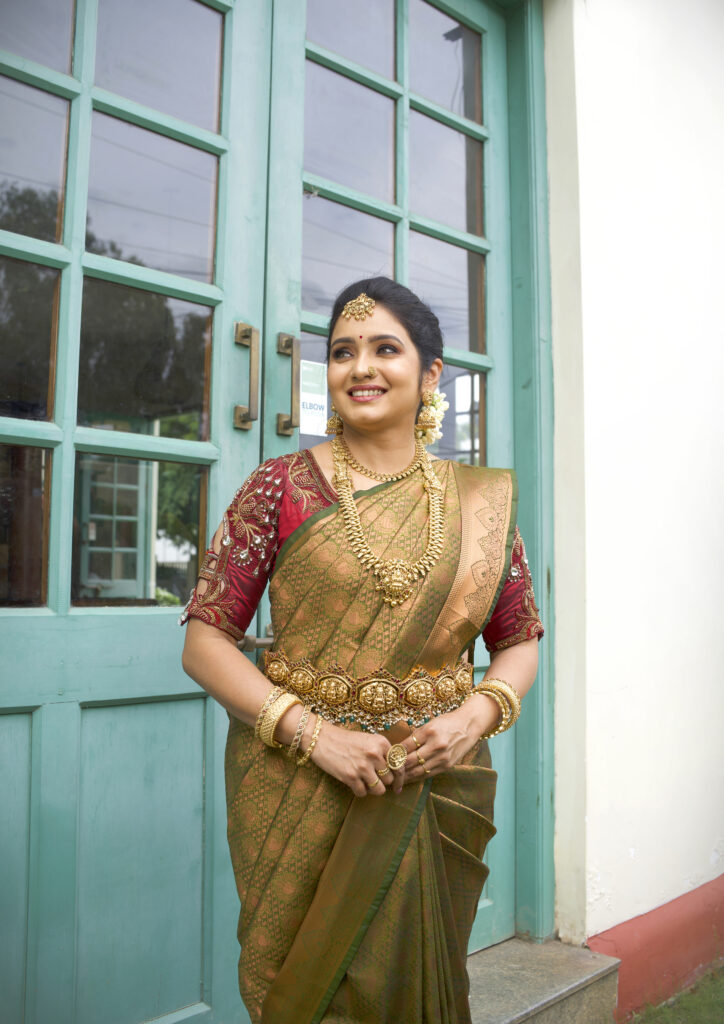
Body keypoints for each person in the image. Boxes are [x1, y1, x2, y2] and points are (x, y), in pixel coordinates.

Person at [180, 276, 544, 1024]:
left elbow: (519, 642)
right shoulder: (280, 486)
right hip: (292, 779)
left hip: (432, 784)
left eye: (386, 348)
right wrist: (320, 738)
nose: (361, 368)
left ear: (430, 373)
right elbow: (205, 641)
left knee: (417, 982)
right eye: (343, 353)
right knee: (297, 987)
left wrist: (475, 717)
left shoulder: (481, 503)